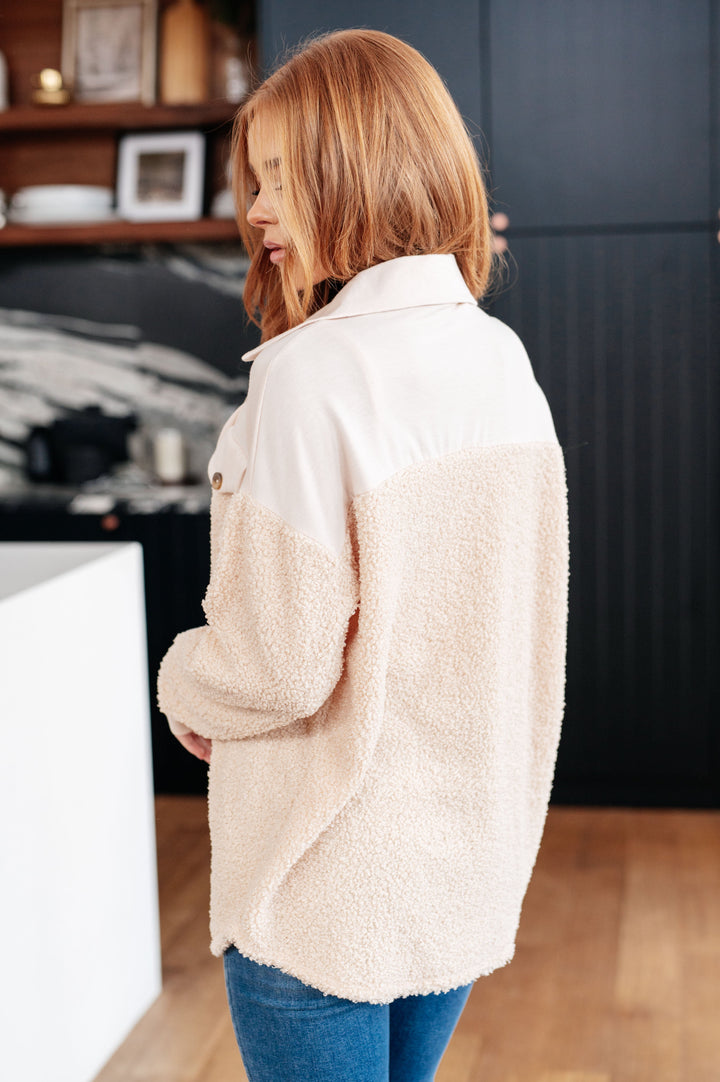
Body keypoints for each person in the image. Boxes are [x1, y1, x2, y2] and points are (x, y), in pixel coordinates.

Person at [158, 27, 568, 1082]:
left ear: (361, 171)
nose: (257, 211)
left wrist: (183, 682)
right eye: (256, 181)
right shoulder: (499, 357)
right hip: (458, 868)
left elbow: (277, 663)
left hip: (322, 883)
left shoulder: (311, 374)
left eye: (281, 178)